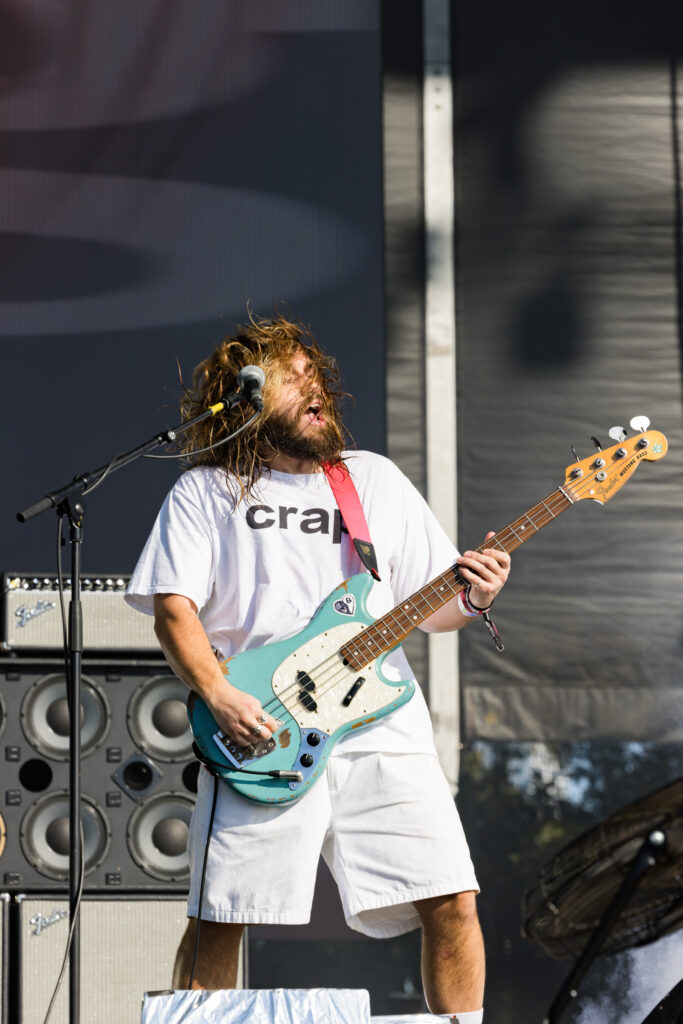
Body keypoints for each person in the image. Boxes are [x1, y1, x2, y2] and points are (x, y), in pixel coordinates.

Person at [125, 313, 510, 1020]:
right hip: (259, 726)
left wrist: (476, 595)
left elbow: (436, 610)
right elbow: (173, 610)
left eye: (316, 378)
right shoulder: (206, 492)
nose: (315, 390)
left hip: (381, 726)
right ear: (245, 399)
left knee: (452, 900)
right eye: (291, 379)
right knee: (221, 918)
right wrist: (218, 694)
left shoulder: (372, 481)